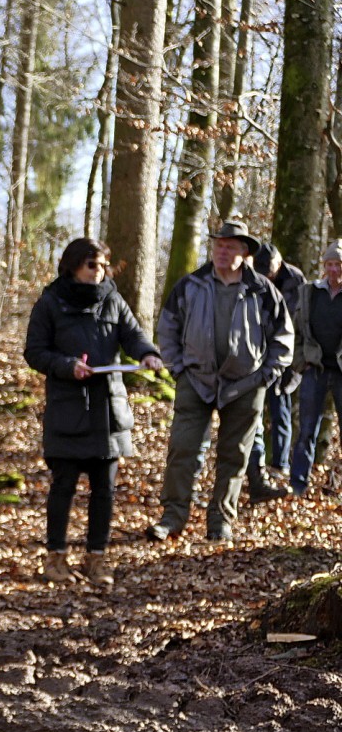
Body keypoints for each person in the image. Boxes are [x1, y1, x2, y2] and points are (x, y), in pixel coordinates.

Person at [24, 238, 162, 585]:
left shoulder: (113, 300)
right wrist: (66, 366)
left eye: (102, 266)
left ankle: (96, 558)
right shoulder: (51, 302)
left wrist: (147, 353)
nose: (98, 272)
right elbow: (35, 352)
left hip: (107, 411)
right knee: (64, 486)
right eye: (91, 265)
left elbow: (134, 336)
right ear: (72, 265)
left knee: (105, 489)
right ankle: (55, 557)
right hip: (67, 410)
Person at [146, 221, 293, 543]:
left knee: (235, 455)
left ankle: (221, 521)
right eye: (218, 245)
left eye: (230, 246)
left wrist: (266, 375)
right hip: (195, 380)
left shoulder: (262, 291)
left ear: (244, 252)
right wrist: (178, 367)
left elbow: (283, 338)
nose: (222, 251)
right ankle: (172, 517)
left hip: (246, 385)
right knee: (182, 449)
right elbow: (168, 326)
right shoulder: (191, 285)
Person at [246, 243, 305, 500]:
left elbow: (295, 321)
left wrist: (291, 362)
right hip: (256, 353)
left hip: (286, 354)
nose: (264, 275)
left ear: (279, 263)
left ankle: (280, 463)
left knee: (280, 407)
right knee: (253, 411)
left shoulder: (295, 281)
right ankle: (253, 465)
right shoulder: (253, 278)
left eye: (268, 269)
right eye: (260, 270)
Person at [288, 242, 342, 496]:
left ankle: (336, 484)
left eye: (338, 265)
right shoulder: (310, 293)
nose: (334, 270)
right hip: (315, 369)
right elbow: (296, 330)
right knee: (307, 429)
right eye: (330, 264)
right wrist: (301, 361)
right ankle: (299, 484)